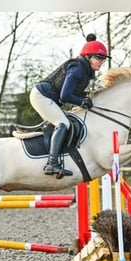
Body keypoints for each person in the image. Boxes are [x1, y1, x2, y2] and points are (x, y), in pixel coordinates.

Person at [30, 33, 111, 177]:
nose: (101, 62)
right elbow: (65, 95)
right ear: (88, 56)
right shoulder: (77, 69)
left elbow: (73, 92)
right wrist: (82, 101)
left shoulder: (84, 71)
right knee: (63, 124)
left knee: (64, 123)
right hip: (41, 96)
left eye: (103, 59)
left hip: (48, 97)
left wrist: (89, 96)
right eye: (98, 58)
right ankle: (52, 164)